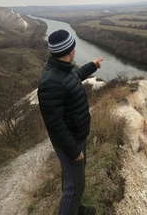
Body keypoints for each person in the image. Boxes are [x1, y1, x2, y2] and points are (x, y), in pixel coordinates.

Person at [37, 29, 103, 215]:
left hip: (77, 135)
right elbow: (54, 123)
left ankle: (77, 210)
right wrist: (73, 151)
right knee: (75, 186)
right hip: (70, 142)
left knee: (74, 180)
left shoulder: (62, 69)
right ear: (70, 50)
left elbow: (73, 80)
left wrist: (92, 66)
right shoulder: (52, 82)